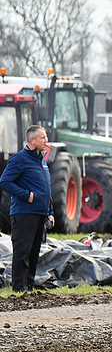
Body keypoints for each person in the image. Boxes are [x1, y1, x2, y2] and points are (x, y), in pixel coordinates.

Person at [0, 125, 54, 292]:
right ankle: (18, 289)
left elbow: (47, 188)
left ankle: (28, 287)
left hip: (40, 213)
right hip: (24, 213)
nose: (46, 140)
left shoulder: (42, 161)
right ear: (32, 141)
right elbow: (5, 181)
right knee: (22, 252)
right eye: (43, 137)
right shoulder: (19, 159)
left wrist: (50, 212)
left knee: (34, 252)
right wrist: (26, 195)